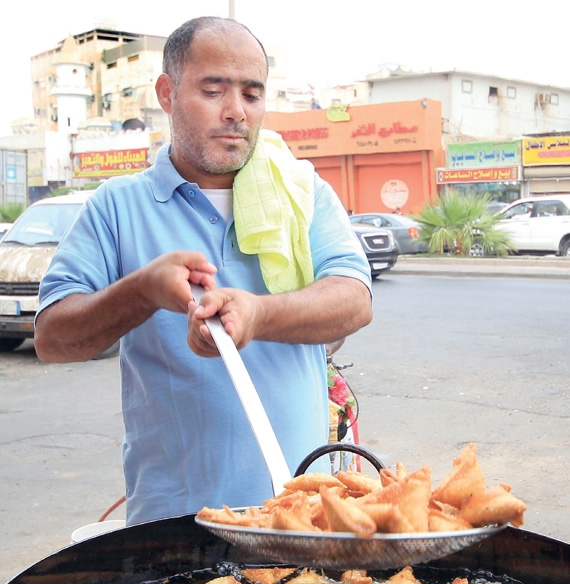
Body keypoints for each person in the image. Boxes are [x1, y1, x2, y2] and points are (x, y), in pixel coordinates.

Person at [34, 16, 372, 526]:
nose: (236, 112)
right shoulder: (117, 206)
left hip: (299, 516)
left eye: (252, 95)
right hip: (171, 523)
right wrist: (142, 291)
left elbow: (354, 297)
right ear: (167, 94)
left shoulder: (301, 192)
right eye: (213, 90)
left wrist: (257, 314)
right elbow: (53, 338)